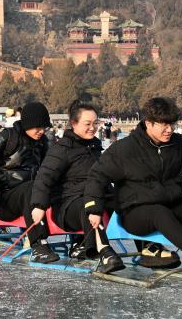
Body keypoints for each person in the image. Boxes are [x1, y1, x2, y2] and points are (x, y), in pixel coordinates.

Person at [83, 97, 182, 270]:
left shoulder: (179, 144)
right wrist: (93, 208)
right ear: (148, 123)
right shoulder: (124, 149)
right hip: (136, 212)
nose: (169, 130)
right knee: (159, 212)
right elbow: (97, 175)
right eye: (164, 125)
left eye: (172, 125)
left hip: (173, 205)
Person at [29, 101, 124, 274]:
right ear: (73, 124)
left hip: (96, 197)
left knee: (130, 199)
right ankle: (105, 251)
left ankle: (149, 248)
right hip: (69, 206)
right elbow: (44, 177)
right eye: (87, 124)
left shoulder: (94, 146)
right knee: (88, 205)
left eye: (95, 123)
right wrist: (38, 205)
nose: (92, 128)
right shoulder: (62, 148)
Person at [0, 101, 56, 263]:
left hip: (31, 200)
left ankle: (81, 243)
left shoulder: (44, 142)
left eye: (44, 127)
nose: (41, 131)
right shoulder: (8, 136)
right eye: (38, 127)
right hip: (4, 200)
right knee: (32, 188)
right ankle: (38, 245)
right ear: (27, 124)